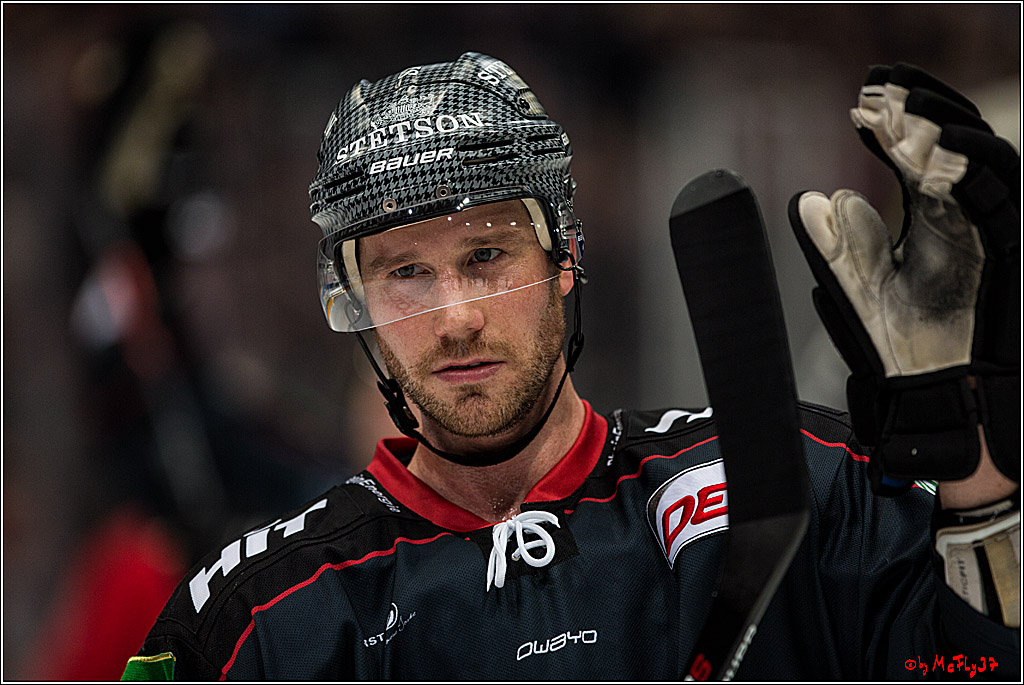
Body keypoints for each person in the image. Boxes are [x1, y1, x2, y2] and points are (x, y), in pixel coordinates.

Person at [122, 52, 1019, 680]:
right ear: (353, 305)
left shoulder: (789, 483)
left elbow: (973, 668)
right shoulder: (260, 622)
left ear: (565, 261)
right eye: (406, 273)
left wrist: (985, 495)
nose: (458, 316)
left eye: (486, 255)